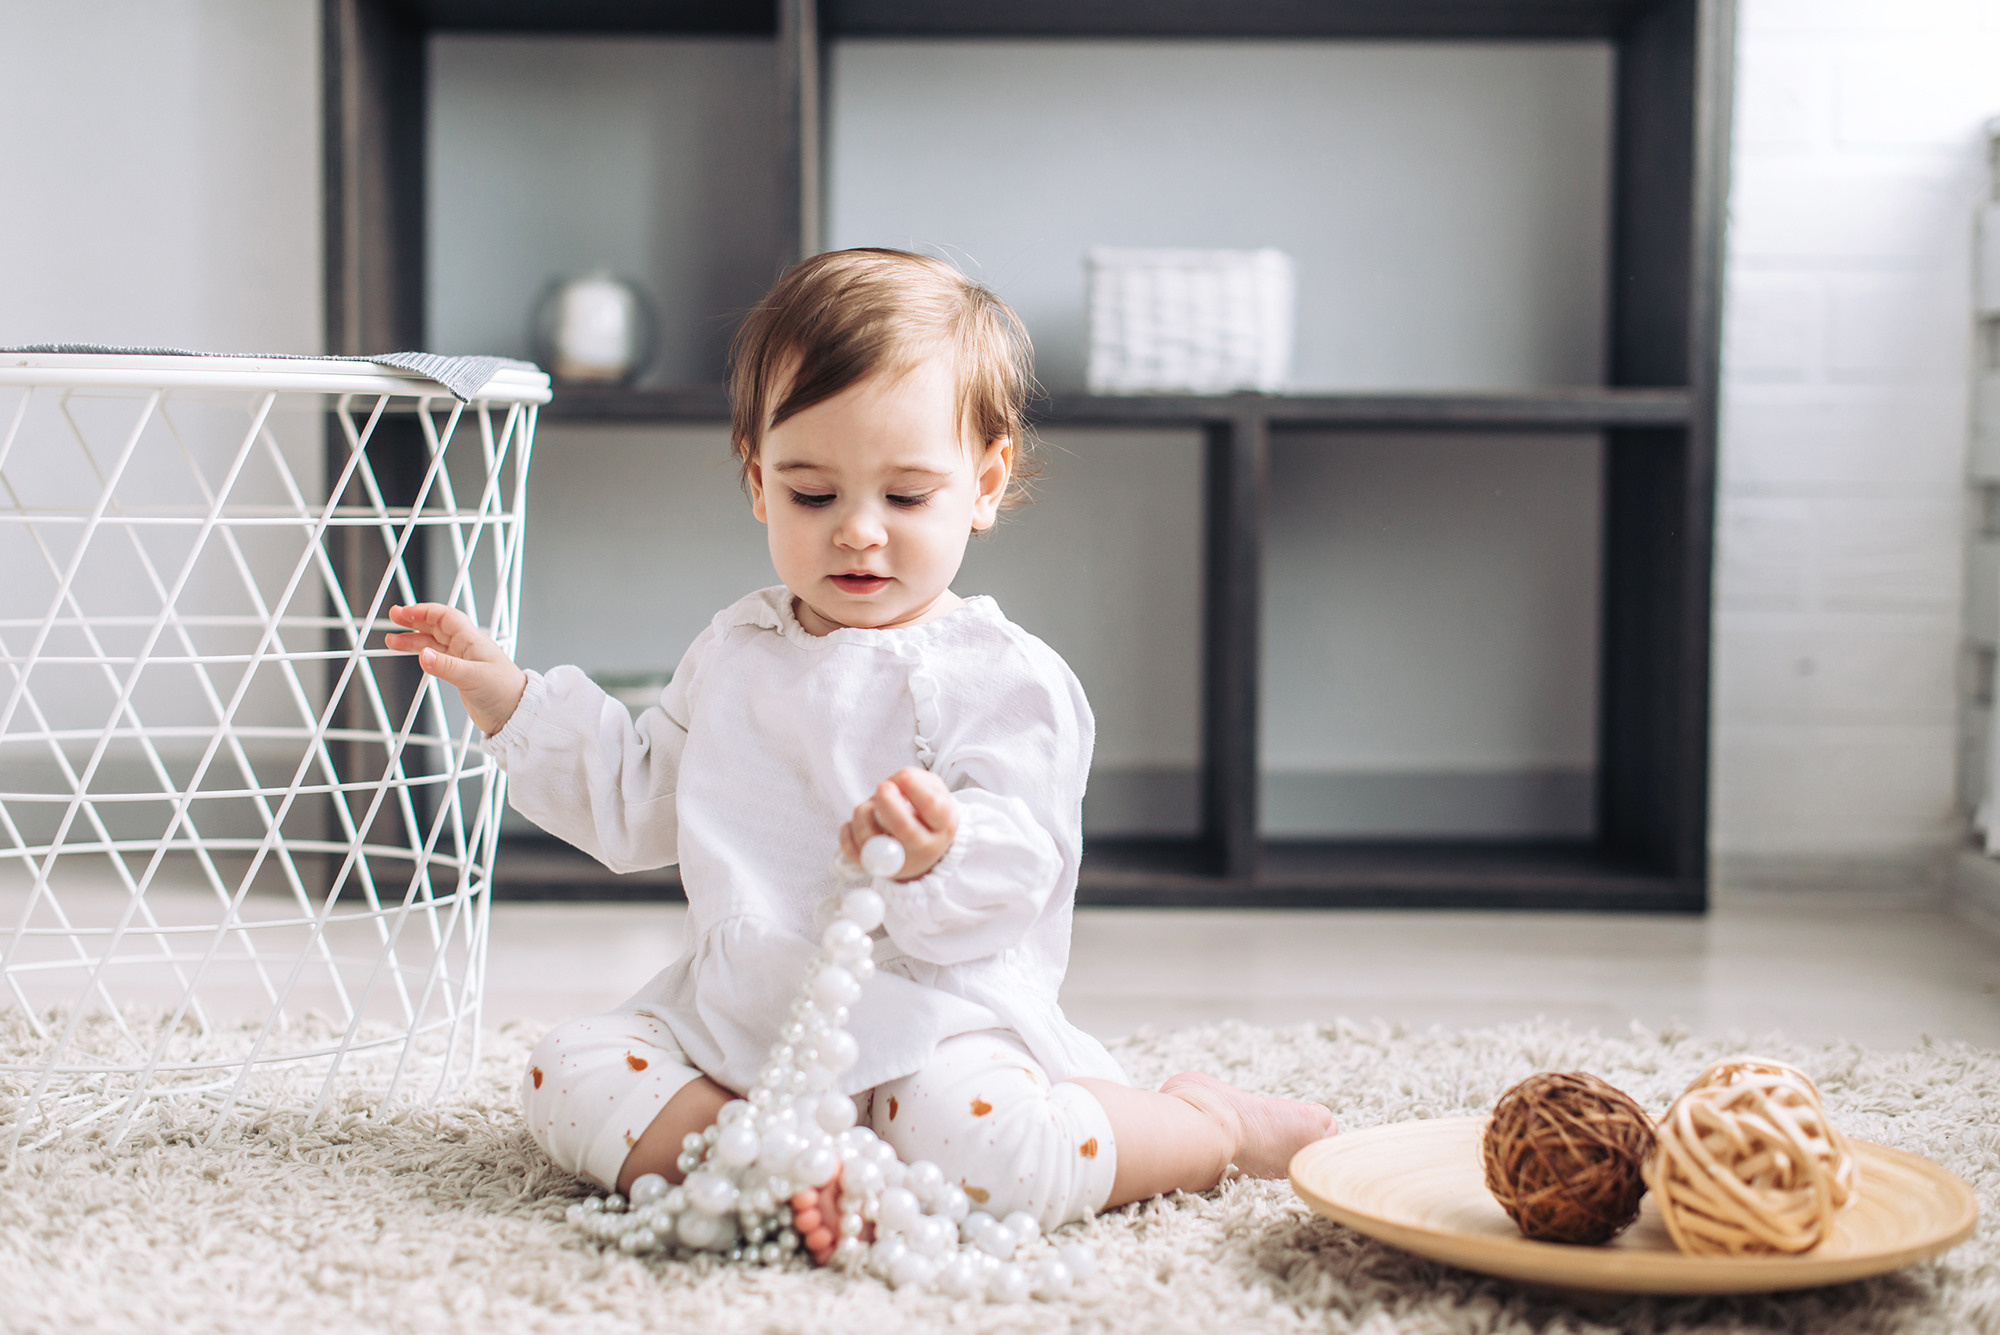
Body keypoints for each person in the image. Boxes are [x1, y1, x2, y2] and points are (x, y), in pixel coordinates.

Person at [386, 248, 1334, 1263]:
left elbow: (1024, 864)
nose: (858, 535)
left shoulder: (1001, 676)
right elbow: (635, 800)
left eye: (907, 497)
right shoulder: (735, 650)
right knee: (565, 1070)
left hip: (930, 1030)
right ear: (758, 481)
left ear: (984, 482)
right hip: (740, 1029)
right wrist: (510, 701)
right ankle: (762, 1157)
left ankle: (1204, 1130)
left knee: (992, 1156)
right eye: (812, 496)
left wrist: (940, 852)